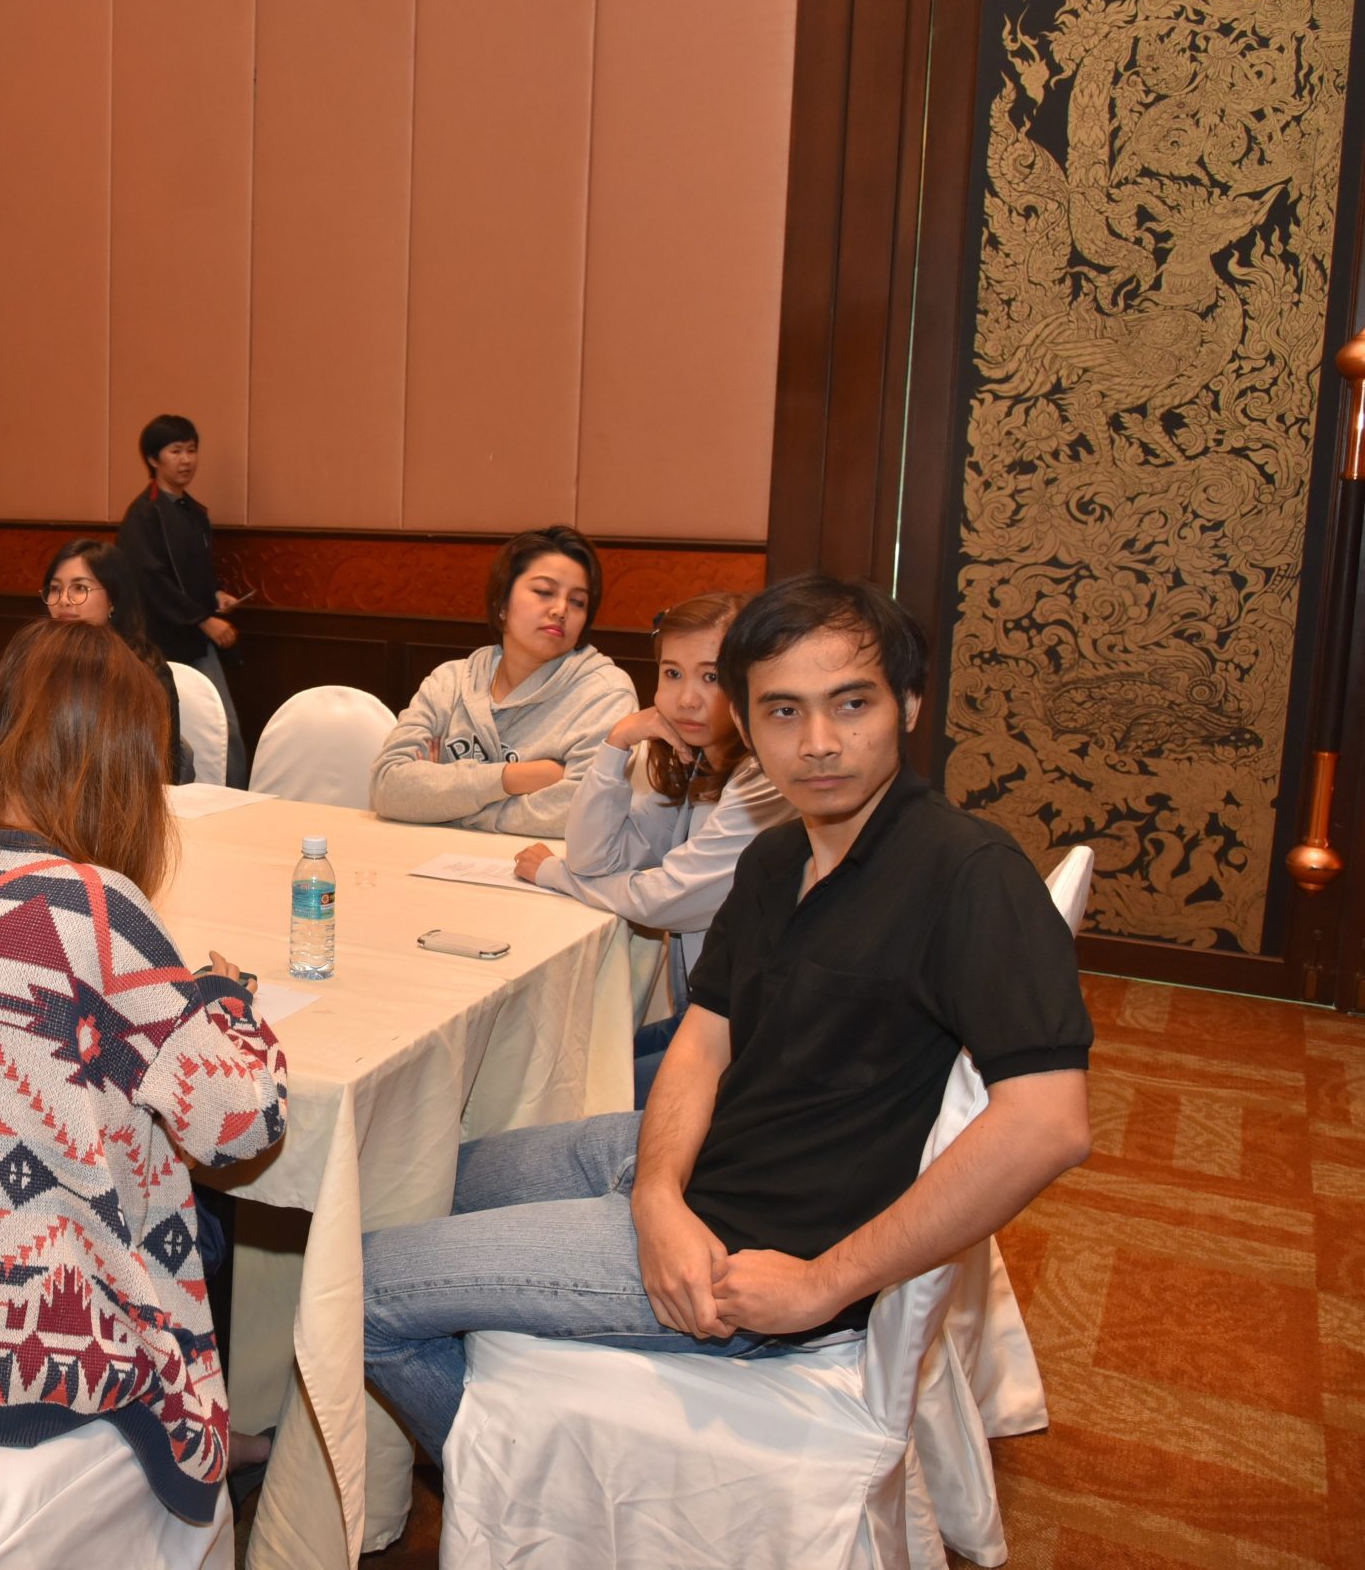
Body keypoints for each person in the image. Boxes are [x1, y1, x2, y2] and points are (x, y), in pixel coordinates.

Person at [358, 575, 1096, 1461]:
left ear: (906, 704)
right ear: (743, 721)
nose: (817, 742)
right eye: (783, 711)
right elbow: (704, 1040)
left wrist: (822, 1282)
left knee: (358, 1289)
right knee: (420, 1175)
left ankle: (526, 1492)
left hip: (756, 1252)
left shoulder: (968, 872)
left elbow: (1048, 1124)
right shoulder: (779, 854)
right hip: (694, 1167)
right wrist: (656, 1194)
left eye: (851, 704)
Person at [0, 619, 288, 1523]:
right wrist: (228, 1002)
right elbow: (241, 1123)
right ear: (127, 764)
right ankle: (218, 1432)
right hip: (48, 1353)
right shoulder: (97, 910)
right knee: (205, 1216)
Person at [513, 591, 795, 1104]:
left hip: (754, 1041)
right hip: (702, 1015)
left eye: (711, 677)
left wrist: (555, 875)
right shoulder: (693, 761)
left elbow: (667, 899)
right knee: (556, 1072)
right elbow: (596, 858)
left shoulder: (767, 778)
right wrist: (616, 744)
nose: (687, 698)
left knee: (574, 1095)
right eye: (672, 673)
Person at [368, 524, 637, 836]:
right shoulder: (449, 682)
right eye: (544, 592)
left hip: (538, 864)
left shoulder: (605, 694)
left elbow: (585, 812)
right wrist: (514, 778)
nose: (561, 609)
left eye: (578, 601)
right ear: (501, 604)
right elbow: (387, 787)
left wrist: (445, 805)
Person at [117, 413, 249, 787]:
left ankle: (234, 798)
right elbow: (149, 581)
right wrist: (204, 619)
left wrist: (215, 595)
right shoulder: (143, 514)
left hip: (196, 639)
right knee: (171, 731)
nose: (186, 460)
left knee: (223, 730)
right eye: (176, 451)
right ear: (153, 458)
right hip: (160, 642)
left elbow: (194, 572)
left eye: (191, 450)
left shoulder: (195, 511)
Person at [40, 536, 191, 784]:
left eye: (79, 588)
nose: (64, 599)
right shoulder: (35, 661)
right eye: (55, 589)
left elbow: (159, 770)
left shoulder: (144, 670)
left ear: (113, 599)